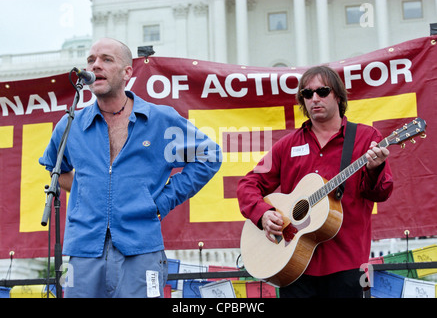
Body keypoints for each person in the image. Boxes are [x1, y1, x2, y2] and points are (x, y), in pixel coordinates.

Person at [39, 38, 222, 298]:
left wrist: (163, 200)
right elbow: (57, 169)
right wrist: (88, 193)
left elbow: (209, 156)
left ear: (127, 72)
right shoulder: (71, 124)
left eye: (106, 59)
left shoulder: (160, 119)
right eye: (91, 60)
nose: (96, 65)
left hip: (141, 248)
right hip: (83, 250)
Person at [237, 65, 393, 298]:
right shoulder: (287, 145)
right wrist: (263, 214)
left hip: (347, 264)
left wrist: (375, 168)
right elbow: (248, 185)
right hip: (292, 264)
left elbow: (381, 192)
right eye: (307, 94)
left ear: (338, 96)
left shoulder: (366, 138)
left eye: (322, 91)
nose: (314, 98)